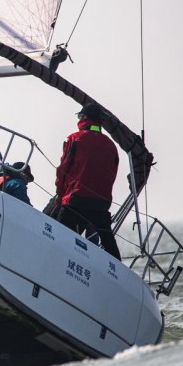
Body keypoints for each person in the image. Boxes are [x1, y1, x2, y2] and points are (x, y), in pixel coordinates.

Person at [53, 102, 121, 258]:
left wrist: (60, 194)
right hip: (101, 204)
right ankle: (119, 270)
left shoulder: (75, 139)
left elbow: (63, 168)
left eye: (79, 116)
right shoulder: (111, 145)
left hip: (76, 199)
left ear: (84, 117)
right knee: (109, 244)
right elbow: (113, 174)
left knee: (59, 236)